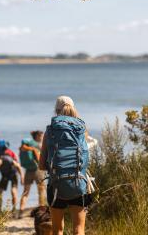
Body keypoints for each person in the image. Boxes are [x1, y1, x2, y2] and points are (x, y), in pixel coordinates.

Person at [39, 96, 92, 235]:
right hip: (78, 183)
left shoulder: (49, 131)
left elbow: (41, 166)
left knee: (57, 230)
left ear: (56, 111)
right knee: (79, 229)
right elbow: (85, 159)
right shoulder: (82, 130)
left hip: (56, 185)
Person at [19, 131, 47, 216]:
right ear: (37, 136)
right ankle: (41, 211)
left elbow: (21, 148)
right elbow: (40, 159)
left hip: (28, 170)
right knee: (41, 190)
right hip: (38, 170)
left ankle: (21, 211)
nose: (42, 137)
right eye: (41, 136)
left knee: (26, 192)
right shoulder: (37, 145)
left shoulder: (28, 143)